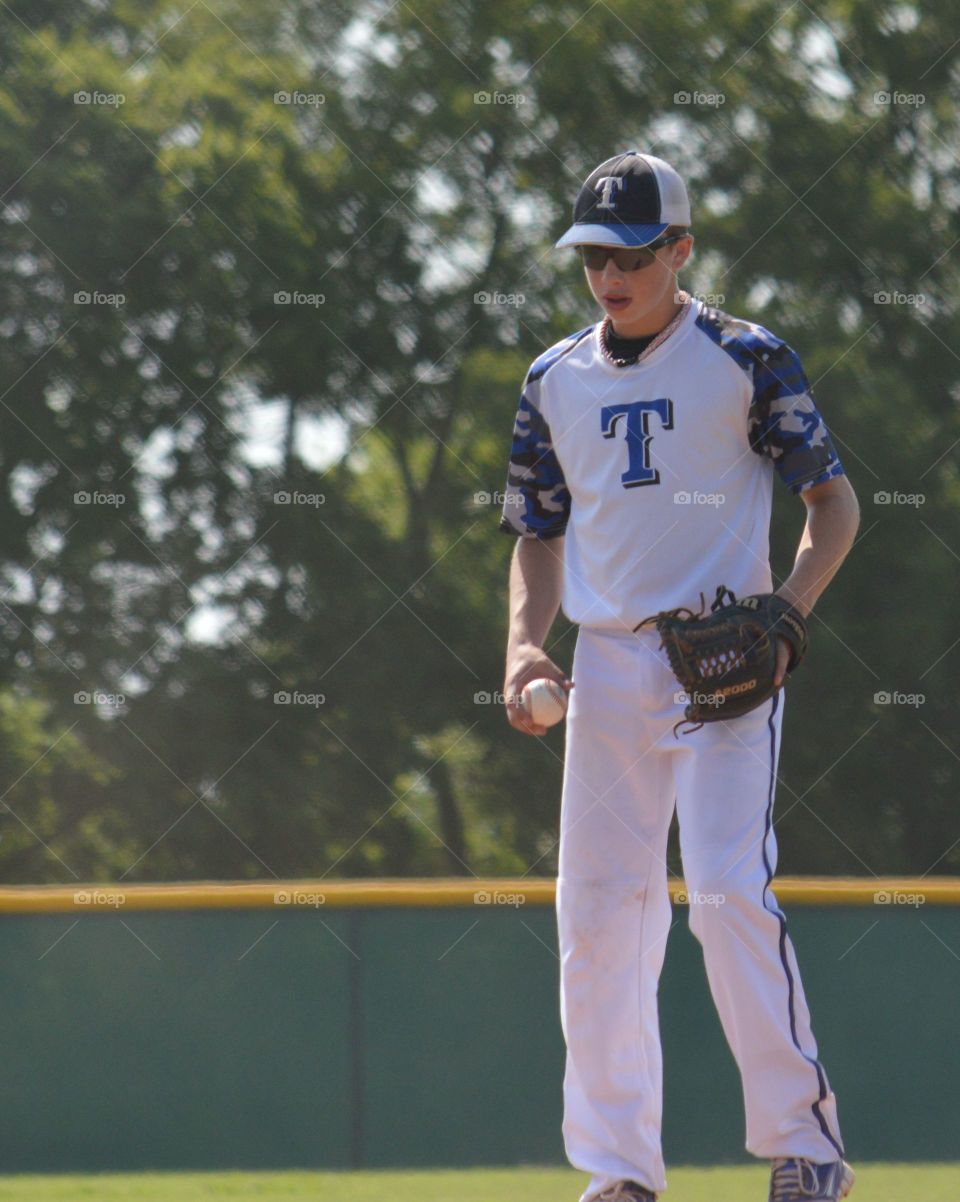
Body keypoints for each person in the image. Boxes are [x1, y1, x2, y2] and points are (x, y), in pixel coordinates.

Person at [499, 150, 861, 1202]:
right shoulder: (552, 378)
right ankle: (620, 1172)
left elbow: (832, 505)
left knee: (724, 891)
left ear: (681, 250)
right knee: (600, 913)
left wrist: (790, 612)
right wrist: (526, 647)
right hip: (605, 667)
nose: (610, 273)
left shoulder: (747, 357)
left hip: (724, 665)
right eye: (594, 256)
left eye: (633, 253)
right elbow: (534, 532)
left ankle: (806, 1147)